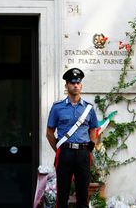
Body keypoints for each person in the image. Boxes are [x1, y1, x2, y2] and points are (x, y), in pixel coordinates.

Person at [46, 68, 98, 208]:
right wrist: (59, 149)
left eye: (78, 83)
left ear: (81, 85)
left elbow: (93, 129)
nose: (75, 85)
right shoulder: (57, 108)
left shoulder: (89, 108)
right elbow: (49, 132)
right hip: (65, 153)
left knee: (83, 195)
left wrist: (90, 146)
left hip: (82, 154)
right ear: (66, 86)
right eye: (72, 82)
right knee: (62, 195)